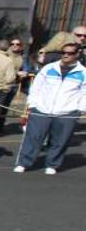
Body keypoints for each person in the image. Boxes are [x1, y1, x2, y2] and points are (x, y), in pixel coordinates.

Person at [14, 34, 85, 175]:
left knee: (60, 140)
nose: (65, 56)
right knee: (33, 137)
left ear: (77, 54)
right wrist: (33, 103)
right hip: (41, 109)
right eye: (62, 53)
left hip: (67, 112)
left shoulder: (83, 73)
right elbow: (36, 87)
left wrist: (79, 109)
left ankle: (52, 164)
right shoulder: (49, 68)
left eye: (69, 53)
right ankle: (24, 163)